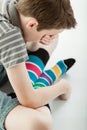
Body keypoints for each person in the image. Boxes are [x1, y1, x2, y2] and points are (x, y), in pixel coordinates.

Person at [0, 0, 77, 130]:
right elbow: (29, 100)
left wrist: (36, 41)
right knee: (40, 124)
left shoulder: (12, 7)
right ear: (32, 24)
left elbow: (19, 44)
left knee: (50, 41)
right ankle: (37, 85)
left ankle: (28, 85)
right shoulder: (10, 36)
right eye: (49, 34)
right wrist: (62, 87)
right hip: (12, 81)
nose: (51, 37)